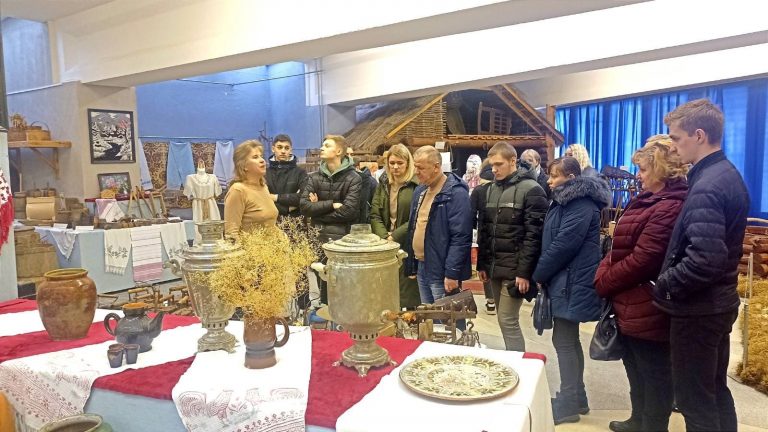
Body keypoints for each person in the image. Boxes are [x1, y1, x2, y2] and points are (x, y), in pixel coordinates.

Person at [654, 99, 749, 432]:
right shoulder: (724, 173)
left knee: (695, 400)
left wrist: (665, 283)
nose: (672, 146)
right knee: (714, 391)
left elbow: (705, 260)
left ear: (699, 135)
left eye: (676, 138)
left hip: (699, 309)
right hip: (717, 304)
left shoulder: (708, 185)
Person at [594, 135, 688, 432]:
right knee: (635, 368)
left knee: (655, 375)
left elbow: (644, 259)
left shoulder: (670, 206)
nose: (638, 175)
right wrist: (604, 272)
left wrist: (605, 282)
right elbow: (617, 249)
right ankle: (638, 420)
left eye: (644, 170)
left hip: (649, 305)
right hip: (630, 301)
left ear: (661, 170)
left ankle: (652, 427)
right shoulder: (648, 199)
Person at [531, 156, 610, 425]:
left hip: (572, 282)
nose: (549, 181)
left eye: (555, 176)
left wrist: (540, 273)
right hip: (566, 280)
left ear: (572, 178)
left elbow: (564, 244)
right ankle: (577, 397)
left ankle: (568, 403)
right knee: (568, 341)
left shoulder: (581, 204)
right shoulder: (566, 201)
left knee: (564, 342)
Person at [475, 142, 548, 351]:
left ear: (513, 161)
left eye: (499, 164)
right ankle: (513, 358)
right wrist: (482, 264)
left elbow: (534, 236)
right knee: (502, 319)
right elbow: (484, 230)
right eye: (492, 165)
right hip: (494, 266)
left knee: (508, 320)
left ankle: (519, 364)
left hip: (515, 269)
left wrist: (524, 273)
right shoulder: (489, 190)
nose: (494, 169)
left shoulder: (532, 190)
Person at [404, 146, 472, 309]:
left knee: (447, 317)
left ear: (436, 167)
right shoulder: (420, 191)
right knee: (428, 316)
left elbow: (461, 237)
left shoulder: (455, 193)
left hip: (441, 269)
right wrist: (411, 264)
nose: (416, 172)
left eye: (421, 168)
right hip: (422, 265)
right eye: (415, 167)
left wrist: (452, 273)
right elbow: (413, 227)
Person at [300, 134, 362, 304]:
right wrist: (331, 204)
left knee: (343, 289)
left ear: (339, 151)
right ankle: (326, 318)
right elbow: (304, 207)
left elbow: (349, 212)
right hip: (319, 239)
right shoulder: (314, 177)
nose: (322, 148)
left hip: (343, 241)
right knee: (324, 288)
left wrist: (318, 209)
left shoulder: (354, 178)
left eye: (327, 145)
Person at [370, 144, 420, 309]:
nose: (395, 167)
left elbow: (416, 217)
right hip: (385, 244)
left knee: (408, 292)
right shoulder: (384, 183)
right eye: (392, 163)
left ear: (408, 163)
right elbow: (375, 214)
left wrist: (395, 236)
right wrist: (385, 237)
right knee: (386, 290)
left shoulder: (416, 185)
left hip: (408, 242)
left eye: (400, 163)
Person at [224, 140, 278, 239]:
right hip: (250, 248)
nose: (262, 160)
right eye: (255, 157)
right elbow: (231, 234)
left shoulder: (264, 187)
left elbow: (269, 225)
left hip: (272, 248)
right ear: (244, 165)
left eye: (261, 156)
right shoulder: (238, 190)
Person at [470, 160, 496, 314]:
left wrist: (474, 229)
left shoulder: (478, 190)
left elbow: (471, 214)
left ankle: (490, 300)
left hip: (484, 233)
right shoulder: (506, 188)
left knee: (486, 266)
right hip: (505, 233)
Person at [265, 134, 308, 219]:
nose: (283, 151)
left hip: (296, 221)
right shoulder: (265, 173)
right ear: (273, 149)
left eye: (286, 148)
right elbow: (262, 199)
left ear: (291, 150)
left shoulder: (300, 173)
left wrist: (276, 197)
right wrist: (286, 209)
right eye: (279, 147)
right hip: (271, 221)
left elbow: (304, 197)